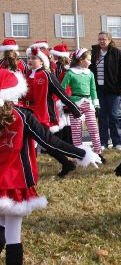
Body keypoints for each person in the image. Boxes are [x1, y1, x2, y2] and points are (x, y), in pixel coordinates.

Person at [0, 68, 101, 264]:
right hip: (16, 184)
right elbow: (50, 142)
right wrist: (83, 153)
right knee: (13, 235)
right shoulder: (22, 117)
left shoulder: (22, 116)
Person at [21, 47, 84, 177]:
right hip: (27, 114)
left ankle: (76, 157)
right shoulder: (26, 74)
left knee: (48, 143)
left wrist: (75, 110)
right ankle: (67, 163)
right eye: (29, 58)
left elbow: (62, 93)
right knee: (43, 144)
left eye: (34, 58)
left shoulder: (47, 75)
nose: (30, 60)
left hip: (41, 114)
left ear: (42, 61)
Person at [61, 48, 105, 163]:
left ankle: (98, 153)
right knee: (76, 131)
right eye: (88, 60)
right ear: (81, 60)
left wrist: (96, 104)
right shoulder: (70, 73)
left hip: (88, 103)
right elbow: (62, 89)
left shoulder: (90, 73)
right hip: (75, 105)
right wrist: (67, 102)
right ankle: (79, 155)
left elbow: (93, 89)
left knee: (94, 128)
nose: (90, 62)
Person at [90, 31, 121, 150]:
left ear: (109, 41)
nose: (101, 41)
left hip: (113, 89)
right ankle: (103, 142)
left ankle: (116, 142)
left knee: (113, 116)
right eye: (100, 39)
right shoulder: (95, 53)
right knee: (101, 116)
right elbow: (91, 69)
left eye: (104, 39)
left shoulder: (116, 52)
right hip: (99, 89)